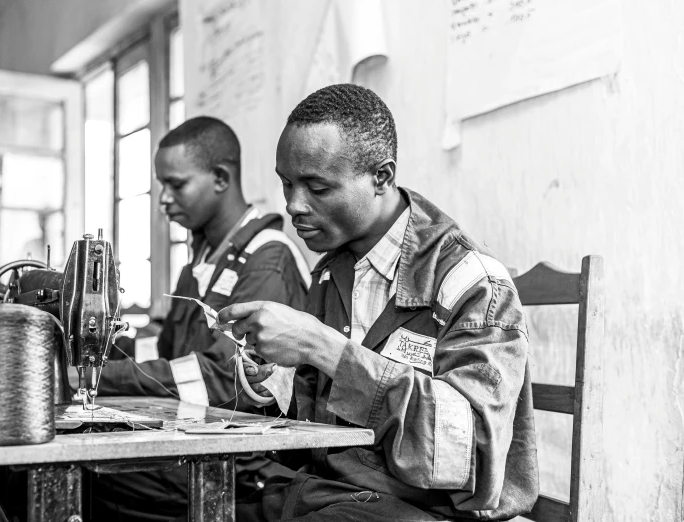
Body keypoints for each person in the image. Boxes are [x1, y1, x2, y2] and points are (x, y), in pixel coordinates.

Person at [219, 84, 539, 521]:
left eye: (316, 186)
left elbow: (472, 454)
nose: (294, 205)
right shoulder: (334, 272)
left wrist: (323, 347)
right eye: (287, 184)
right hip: (333, 494)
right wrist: (271, 379)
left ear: (382, 177)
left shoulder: (472, 283)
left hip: (424, 511)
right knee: (192, 503)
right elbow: (319, 429)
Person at [91, 116, 310, 521]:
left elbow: (223, 379)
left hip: (246, 462)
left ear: (221, 178)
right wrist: (96, 353)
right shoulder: (197, 265)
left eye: (176, 185)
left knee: (90, 477)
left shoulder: (268, 258)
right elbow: (168, 351)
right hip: (195, 441)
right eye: (162, 186)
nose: (164, 199)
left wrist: (98, 378)